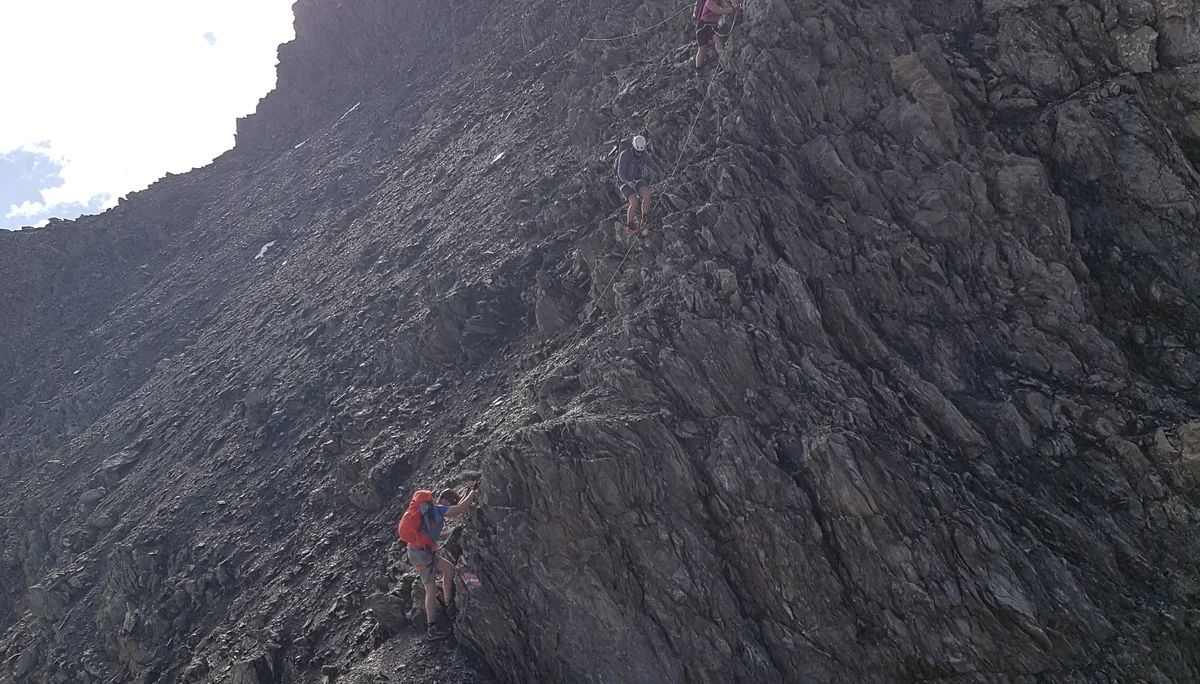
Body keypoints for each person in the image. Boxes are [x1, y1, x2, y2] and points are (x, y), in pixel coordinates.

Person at [399, 487, 477, 641]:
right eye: (451, 503)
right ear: (446, 501)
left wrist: (466, 495)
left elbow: (457, 508)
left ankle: (449, 604)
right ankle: (432, 628)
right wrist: (473, 493)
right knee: (430, 588)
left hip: (423, 551)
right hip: (420, 553)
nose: (450, 506)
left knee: (448, 569)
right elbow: (459, 509)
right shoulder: (437, 510)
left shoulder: (430, 511)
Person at [615, 135, 664, 234]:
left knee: (647, 194)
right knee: (634, 200)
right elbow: (620, 173)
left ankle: (644, 219)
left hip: (636, 179)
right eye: (637, 152)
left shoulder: (644, 155)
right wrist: (627, 182)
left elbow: (651, 164)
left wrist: (660, 172)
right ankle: (630, 226)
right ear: (633, 148)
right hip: (624, 181)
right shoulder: (625, 155)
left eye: (641, 152)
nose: (639, 154)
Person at [695, 0, 740, 70]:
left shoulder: (720, 2)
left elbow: (725, 9)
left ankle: (723, 58)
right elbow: (719, 11)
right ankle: (698, 68)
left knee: (717, 39)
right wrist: (732, 9)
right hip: (703, 26)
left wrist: (735, 7)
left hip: (712, 26)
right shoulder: (709, 2)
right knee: (702, 48)